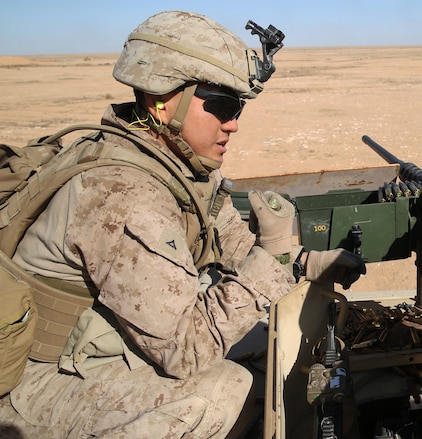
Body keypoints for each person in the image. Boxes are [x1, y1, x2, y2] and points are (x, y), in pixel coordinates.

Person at [0, 10, 365, 438]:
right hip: (40, 384)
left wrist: (300, 261)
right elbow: (186, 351)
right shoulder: (123, 194)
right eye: (223, 106)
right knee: (218, 392)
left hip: (101, 347)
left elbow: (227, 241)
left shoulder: (181, 167)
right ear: (162, 101)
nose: (232, 123)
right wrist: (271, 258)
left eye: (239, 108)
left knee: (281, 344)